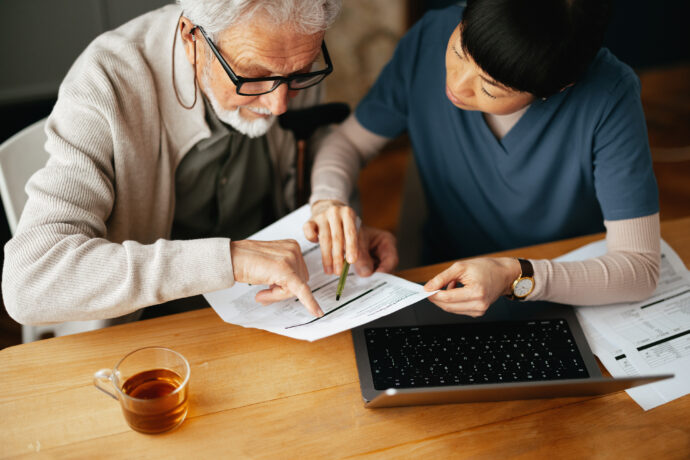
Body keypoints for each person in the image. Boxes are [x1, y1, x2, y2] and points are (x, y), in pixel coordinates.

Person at [2, 0, 365, 326]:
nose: (280, 105)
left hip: (272, 309)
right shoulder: (108, 79)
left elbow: (316, 140)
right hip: (147, 329)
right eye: (253, 77)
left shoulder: (286, 58)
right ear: (192, 39)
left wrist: (332, 214)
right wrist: (229, 259)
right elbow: (30, 281)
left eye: (300, 74)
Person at [305, 0, 661, 317]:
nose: (456, 86)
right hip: (443, 286)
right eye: (459, 51)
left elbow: (639, 269)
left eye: (490, 87)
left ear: (557, 88)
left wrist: (513, 275)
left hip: (564, 295)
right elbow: (348, 143)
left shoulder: (608, 95)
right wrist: (328, 200)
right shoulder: (431, 34)